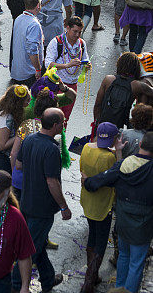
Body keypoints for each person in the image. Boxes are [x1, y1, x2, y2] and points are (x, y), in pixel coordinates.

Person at [83, 130, 153, 293]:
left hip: (123, 221)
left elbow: (102, 180)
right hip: (143, 225)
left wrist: (87, 182)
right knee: (137, 262)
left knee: (123, 256)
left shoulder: (125, 164)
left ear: (140, 144)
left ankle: (119, 287)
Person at [10, 108, 70, 292]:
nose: (65, 123)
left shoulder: (29, 139)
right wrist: (63, 206)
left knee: (38, 243)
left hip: (27, 202)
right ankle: (16, 284)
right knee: (30, 250)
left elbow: (18, 165)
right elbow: (52, 181)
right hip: (42, 209)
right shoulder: (51, 149)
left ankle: (48, 278)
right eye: (62, 121)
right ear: (54, 125)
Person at [79, 122, 122, 293]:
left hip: (88, 201)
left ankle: (91, 274)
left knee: (92, 236)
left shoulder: (86, 148)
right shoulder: (109, 157)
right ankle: (89, 281)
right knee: (101, 242)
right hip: (103, 205)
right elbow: (119, 173)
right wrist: (118, 151)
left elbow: (83, 171)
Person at [45, 16, 90, 121]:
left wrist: (86, 66)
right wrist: (67, 65)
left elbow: (86, 60)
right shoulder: (56, 42)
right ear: (67, 28)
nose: (77, 35)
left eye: (79, 32)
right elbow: (48, 64)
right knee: (54, 118)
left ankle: (62, 136)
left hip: (72, 86)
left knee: (65, 118)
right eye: (75, 31)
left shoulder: (82, 43)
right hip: (57, 85)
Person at [93, 51, 153, 129]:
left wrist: (96, 124)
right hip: (120, 126)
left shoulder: (108, 79)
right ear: (136, 67)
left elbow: (97, 104)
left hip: (103, 125)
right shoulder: (136, 85)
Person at [10, 0, 43, 86]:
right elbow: (32, 50)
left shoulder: (18, 18)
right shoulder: (34, 24)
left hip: (17, 71)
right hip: (28, 74)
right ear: (38, 6)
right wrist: (38, 69)